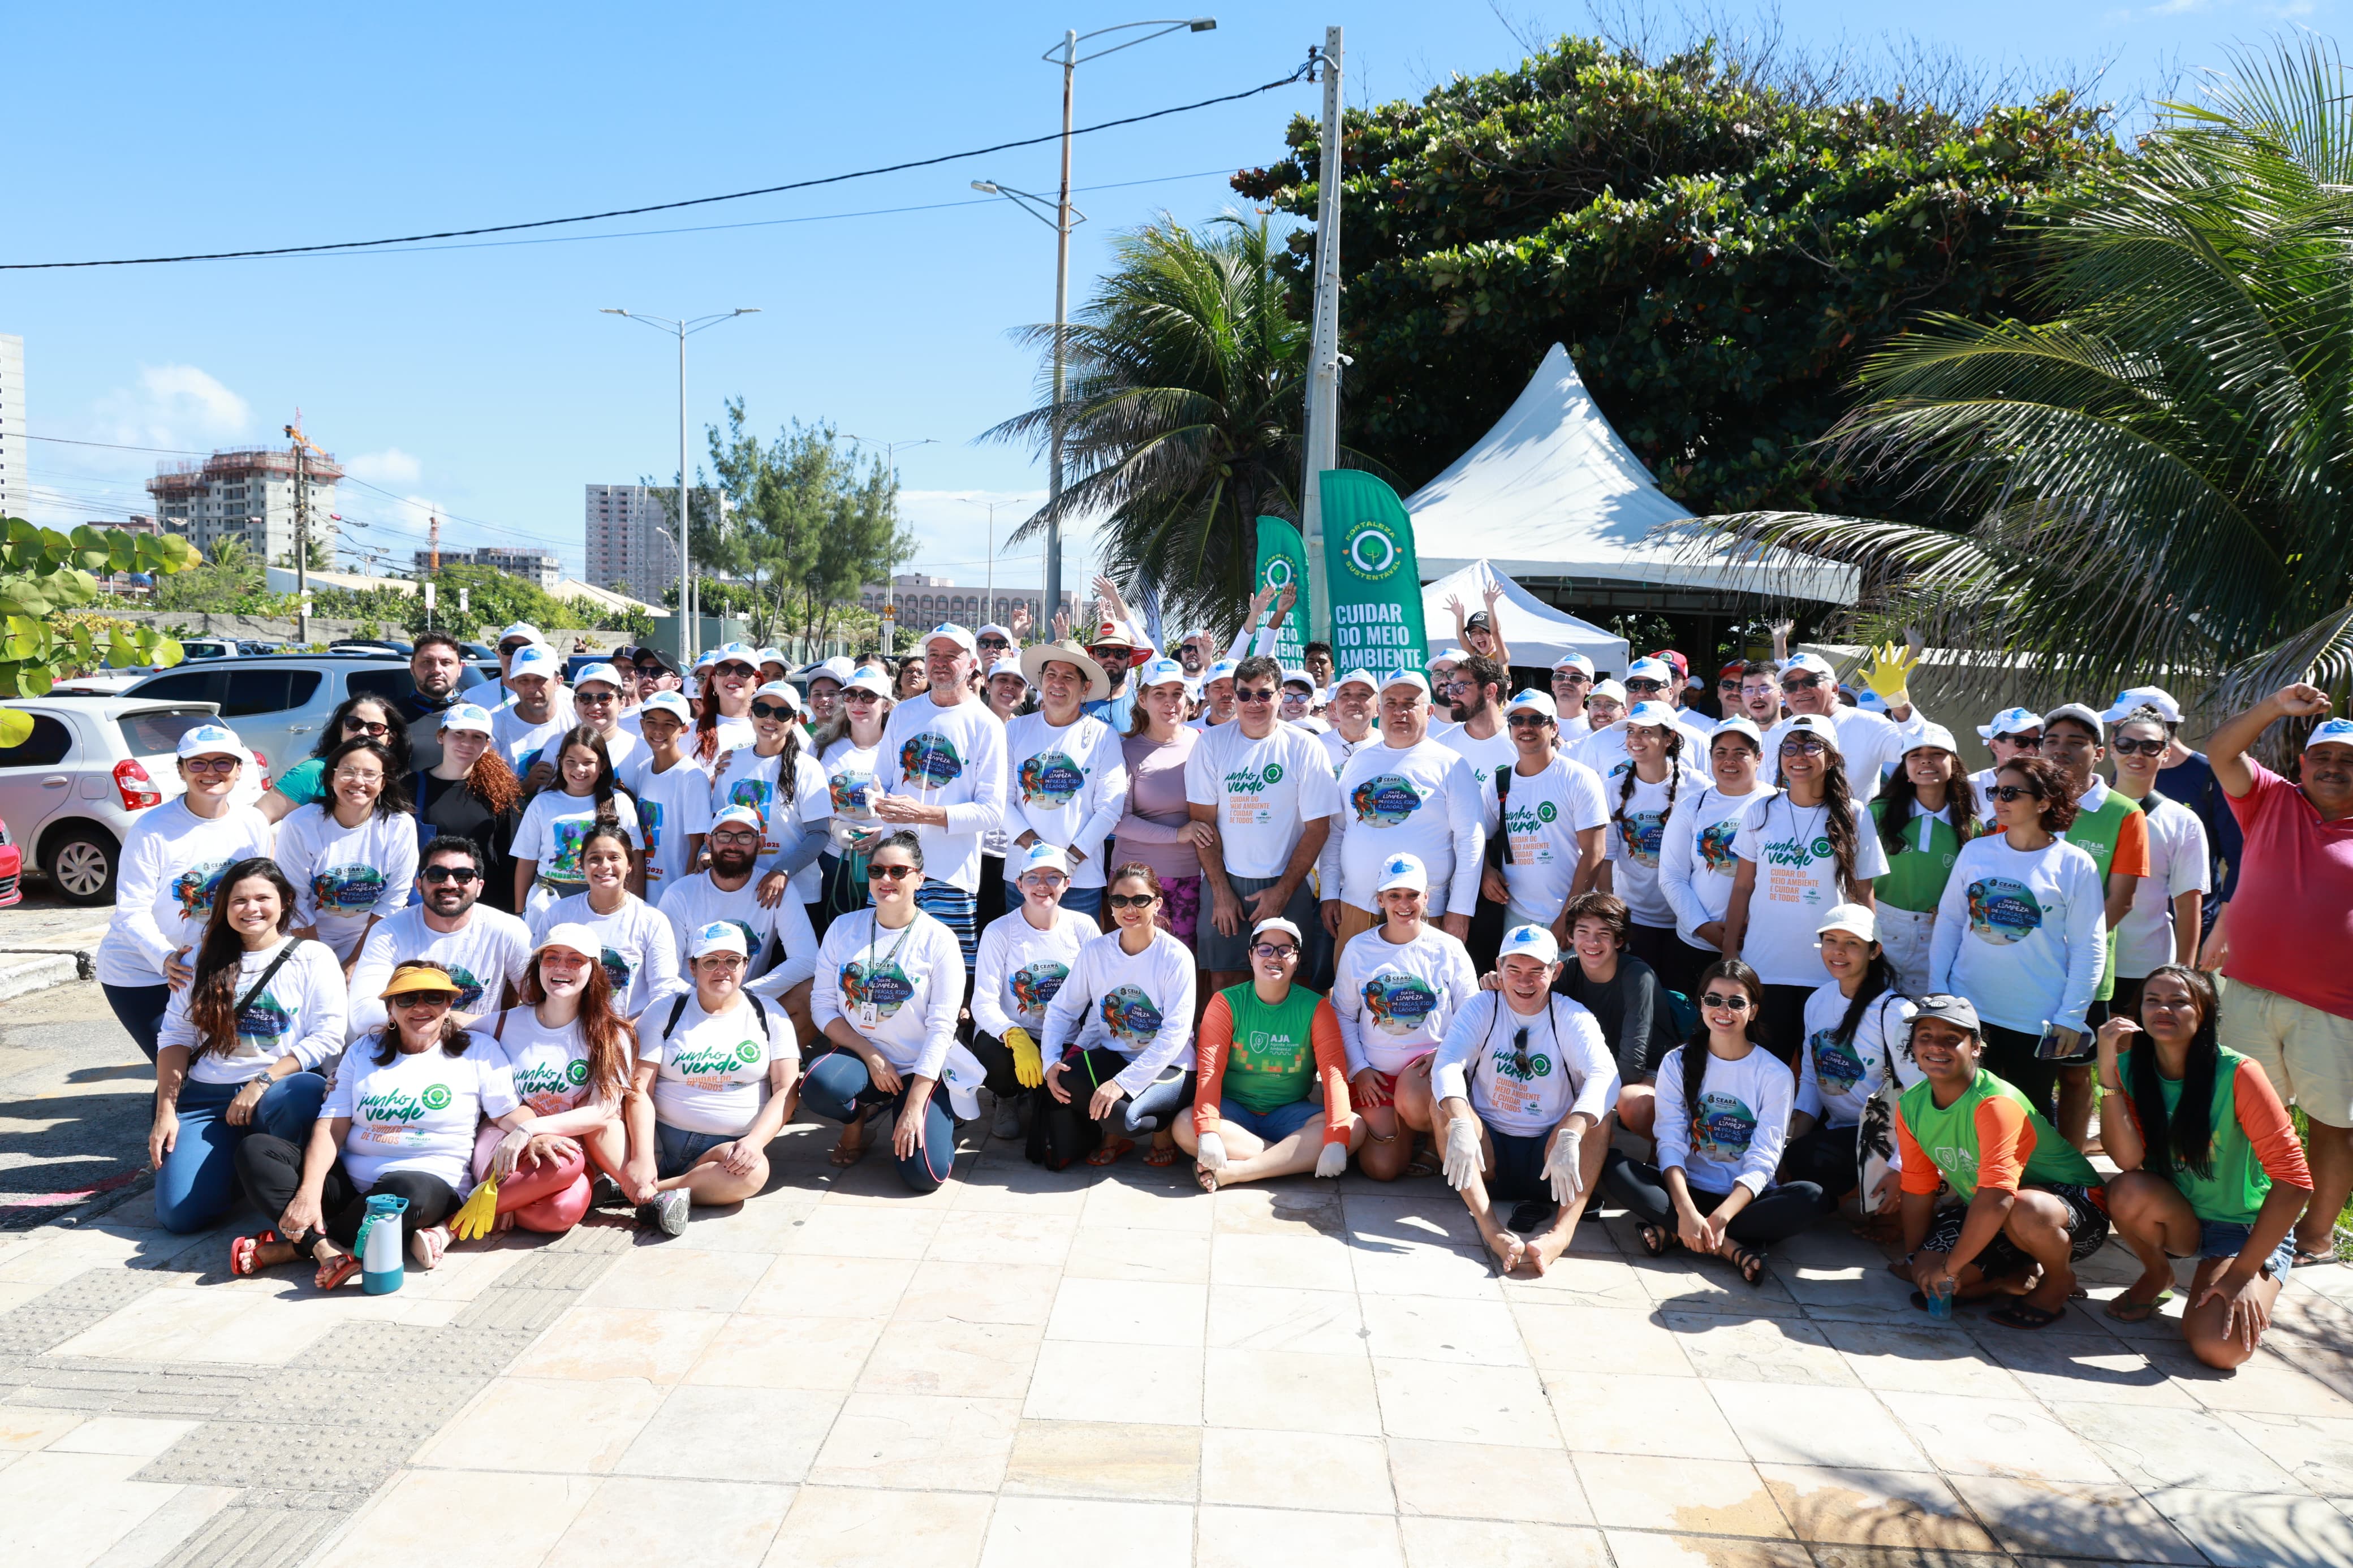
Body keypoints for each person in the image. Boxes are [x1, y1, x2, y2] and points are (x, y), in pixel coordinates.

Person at [233, 962, 536, 1285]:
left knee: (406, 1192)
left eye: (433, 997)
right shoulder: (364, 1050)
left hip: (428, 1184)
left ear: (449, 1005)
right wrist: (308, 1193)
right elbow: (332, 1125)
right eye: (407, 999)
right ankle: (328, 1250)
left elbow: (509, 1113)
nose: (420, 1007)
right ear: (390, 1009)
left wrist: (535, 1130)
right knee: (257, 1149)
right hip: (351, 1184)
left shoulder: (479, 1051)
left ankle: (302, 1247)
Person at [2096, 965, 2313, 1364]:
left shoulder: (2238, 1073)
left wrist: (2240, 1274)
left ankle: (2230, 1274)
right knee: (2126, 1188)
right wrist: (2108, 1071)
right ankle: (2158, 1273)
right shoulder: (2131, 1070)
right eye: (2153, 1000)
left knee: (2220, 1348)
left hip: (2243, 1228)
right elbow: (2127, 1160)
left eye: (2179, 1001)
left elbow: (2296, 1181)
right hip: (2180, 1217)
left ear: (2206, 1013)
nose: (2164, 1009)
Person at [2205, 688, 2353, 1265]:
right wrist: (2272, 707)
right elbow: (2220, 752)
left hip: (2336, 1007)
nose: (2333, 768)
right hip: (2248, 991)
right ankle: (2237, 1216)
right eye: (2323, 757)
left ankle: (2314, 1237)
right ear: (2301, 764)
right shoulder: (2269, 798)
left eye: (2347, 761)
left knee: (2330, 1126)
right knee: (2242, 1116)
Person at [1894, 992, 2109, 1331]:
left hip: (2071, 1212)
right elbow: (1918, 1187)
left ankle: (2058, 1280)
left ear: (1976, 1048)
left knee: (2023, 1211)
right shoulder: (1910, 1104)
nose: (1936, 1047)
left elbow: (1998, 1198)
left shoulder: (1996, 1102)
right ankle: (2012, 1277)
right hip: (1997, 1211)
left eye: (1952, 1039)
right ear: (1914, 1047)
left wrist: (1949, 1269)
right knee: (1927, 1278)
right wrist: (1916, 1259)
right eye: (1926, 1037)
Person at [150, 860, 341, 1234]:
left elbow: (329, 1034)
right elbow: (175, 1036)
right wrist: (165, 1113)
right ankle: (231, 1173)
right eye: (239, 900)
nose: (251, 908)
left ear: (285, 901)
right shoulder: (197, 960)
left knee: (301, 1093)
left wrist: (262, 1081)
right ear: (224, 907)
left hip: (278, 1090)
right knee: (178, 1216)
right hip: (208, 1098)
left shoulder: (314, 957)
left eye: (262, 898)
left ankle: (285, 1176)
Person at [1605, 958, 1818, 1285]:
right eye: (1714, 1000)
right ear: (1702, 1004)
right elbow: (1670, 1143)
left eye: (1736, 1003)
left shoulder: (1774, 1073)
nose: (1724, 1010)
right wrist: (1688, 1211)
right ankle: (1730, 1247)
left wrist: (1720, 1217)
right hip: (1685, 1193)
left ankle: (1678, 1233)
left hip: (1742, 1202)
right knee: (1612, 1166)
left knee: (1810, 1196)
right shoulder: (1676, 1061)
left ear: (1754, 1011)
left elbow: (1765, 1158)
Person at [1430, 925, 1618, 1273]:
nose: (1524, 982)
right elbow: (1447, 1064)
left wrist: (1570, 1134)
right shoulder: (1482, 1007)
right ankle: (1491, 1229)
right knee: (1445, 1103)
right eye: (1514, 970)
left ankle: (1561, 1234)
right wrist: (1458, 1120)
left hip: (1551, 1159)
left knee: (1600, 1116)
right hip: (1490, 1151)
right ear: (1498, 969)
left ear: (1556, 971)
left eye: (1537, 971)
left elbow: (1606, 1076)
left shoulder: (1572, 1016)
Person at [1929, 754, 2105, 1122]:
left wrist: (2071, 1017)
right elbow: (1948, 922)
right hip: (1968, 1010)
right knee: (1963, 1115)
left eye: (2011, 792)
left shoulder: (2075, 864)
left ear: (2044, 802)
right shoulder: (1975, 851)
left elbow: (2090, 945)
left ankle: (2037, 1183)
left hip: (2037, 1018)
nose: (1998, 800)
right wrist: (1939, 992)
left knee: (2029, 1120)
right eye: (1996, 790)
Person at [803, 831, 979, 1183]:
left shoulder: (939, 939)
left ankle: (925, 1109)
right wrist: (869, 1053)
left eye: (898, 871)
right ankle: (857, 1122)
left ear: (919, 878)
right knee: (819, 1086)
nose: (886, 879)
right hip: (863, 1060)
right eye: (877, 871)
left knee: (924, 1176)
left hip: (921, 1066)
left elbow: (943, 1027)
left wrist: (914, 1106)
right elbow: (822, 1006)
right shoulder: (842, 928)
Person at [96, 722, 275, 1062]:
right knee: (181, 1063)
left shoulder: (252, 823)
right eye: (198, 763)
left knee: (223, 1060)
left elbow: (263, 893)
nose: (211, 772)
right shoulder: (151, 829)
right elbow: (131, 909)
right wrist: (165, 958)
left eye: (223, 762)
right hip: (142, 970)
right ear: (181, 770)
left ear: (239, 770)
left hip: (212, 964)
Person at [1723, 714, 1887, 1056]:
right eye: (1791, 747)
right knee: (1770, 1062)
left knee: (1823, 1071)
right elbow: (1742, 888)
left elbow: (1862, 894)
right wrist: (1729, 955)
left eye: (1812, 746)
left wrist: (1868, 962)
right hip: (1765, 965)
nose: (1799, 755)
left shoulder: (1855, 815)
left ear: (1832, 758)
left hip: (1829, 968)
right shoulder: (1761, 811)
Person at [628, 922, 801, 1228]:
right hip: (663, 1139)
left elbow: (787, 1088)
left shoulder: (769, 1013)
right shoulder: (666, 1010)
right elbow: (640, 1088)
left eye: (732, 961)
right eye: (710, 961)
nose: (722, 970)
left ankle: (649, 1192)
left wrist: (756, 1143)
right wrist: (642, 1157)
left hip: (726, 1149)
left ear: (745, 966)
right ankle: (674, 1186)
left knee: (754, 1172)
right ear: (693, 967)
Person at [1188, 655, 1343, 994]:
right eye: (1245, 694)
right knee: (1225, 982)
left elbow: (1319, 829)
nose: (1253, 703)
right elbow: (1203, 827)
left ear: (1281, 695)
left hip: (1288, 881)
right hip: (1226, 880)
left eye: (1264, 693)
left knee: (1291, 982)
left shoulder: (1305, 746)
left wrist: (1282, 892)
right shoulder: (1211, 743)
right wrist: (1221, 893)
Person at [472, 923, 640, 1235]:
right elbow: (446, 1026)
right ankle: (470, 1215)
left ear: (595, 970)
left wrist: (532, 1129)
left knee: (558, 1214)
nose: (562, 967)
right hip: (506, 1139)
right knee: (557, 1183)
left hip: (565, 1151)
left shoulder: (613, 1034)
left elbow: (604, 1110)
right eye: (551, 958)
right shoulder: (500, 1025)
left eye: (576, 959)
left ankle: (499, 1203)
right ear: (538, 967)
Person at [1175, 915, 1363, 1191]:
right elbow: (1210, 1071)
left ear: (1297, 959)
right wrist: (1208, 1128)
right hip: (1233, 1113)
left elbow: (1333, 1074)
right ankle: (1288, 1161)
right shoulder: (1227, 1002)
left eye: (1285, 950)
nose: (1274, 957)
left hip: (1288, 1114)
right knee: (1183, 1125)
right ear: (1251, 956)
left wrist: (1336, 1137)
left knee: (1354, 1127)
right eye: (1265, 948)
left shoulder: (1316, 1007)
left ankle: (1237, 1172)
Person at [1330, 853, 1482, 1180]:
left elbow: (1473, 1014)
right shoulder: (1358, 948)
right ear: (1381, 899)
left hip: (1429, 1073)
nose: (1404, 904)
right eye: (1395, 895)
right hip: (1377, 1078)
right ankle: (1409, 1134)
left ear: (1427, 898)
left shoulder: (1449, 948)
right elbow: (1342, 1014)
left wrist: (1448, 1055)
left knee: (1414, 1100)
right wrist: (1360, 1069)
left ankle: (1430, 1135)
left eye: (1413, 895)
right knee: (1381, 1169)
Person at [2037, 702, 2151, 1141]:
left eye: (2075, 741)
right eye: (2052, 740)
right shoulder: (2026, 798)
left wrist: (2069, 950)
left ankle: (2071, 1173)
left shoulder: (2124, 812)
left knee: (2074, 1075)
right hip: (2021, 968)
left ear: (2099, 753)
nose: (2061, 750)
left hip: (2084, 973)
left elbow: (2120, 901)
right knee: (2016, 1069)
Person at [1038, 862, 1200, 1167]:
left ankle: (1159, 1129)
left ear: (1157, 904)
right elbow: (1061, 1010)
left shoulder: (1176, 957)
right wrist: (1049, 1062)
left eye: (1140, 900)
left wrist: (1122, 1083)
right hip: (1115, 1056)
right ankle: (1114, 1129)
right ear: (1109, 904)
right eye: (1119, 900)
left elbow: (1175, 1036)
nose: (1130, 908)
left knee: (1123, 1117)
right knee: (1064, 1080)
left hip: (1171, 1065)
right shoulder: (1096, 951)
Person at [871, 624, 1010, 970]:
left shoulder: (986, 723)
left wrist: (923, 813)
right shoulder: (903, 713)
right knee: (892, 968)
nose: (940, 662)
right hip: (895, 870)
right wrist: (878, 803)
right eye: (934, 654)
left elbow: (992, 812)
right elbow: (878, 784)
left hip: (952, 875)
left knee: (950, 974)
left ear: (972, 663)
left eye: (952, 655)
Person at [1320, 671, 1485, 962]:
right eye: (1392, 703)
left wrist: (1460, 909)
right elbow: (1337, 831)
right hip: (1358, 908)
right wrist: (1330, 893)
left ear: (1430, 711)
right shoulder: (1359, 761)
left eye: (1411, 703)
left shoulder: (1451, 764)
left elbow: (1470, 841)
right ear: (1380, 711)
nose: (1400, 711)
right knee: (1353, 999)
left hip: (1424, 912)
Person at [1781, 904, 1919, 1211]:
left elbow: (1919, 1099)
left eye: (1852, 943)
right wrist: (1790, 1147)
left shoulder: (1896, 1013)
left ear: (1874, 951)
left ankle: (1875, 1200)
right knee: (1793, 1159)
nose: (1838, 952)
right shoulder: (1817, 1001)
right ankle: (1854, 1200)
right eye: (1830, 940)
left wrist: (1901, 1169)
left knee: (1806, 1161)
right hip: (1840, 1132)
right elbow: (1810, 1079)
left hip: (1890, 1139)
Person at [970, 844, 1099, 1139]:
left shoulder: (1083, 927)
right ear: (1019, 884)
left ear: (1068, 884)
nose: (1043, 886)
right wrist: (1013, 1035)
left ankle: (1041, 1094)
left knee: (1064, 1113)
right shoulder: (999, 931)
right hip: (1014, 1035)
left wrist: (1080, 1046)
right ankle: (1006, 1096)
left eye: (1053, 877)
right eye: (1032, 878)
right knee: (995, 1059)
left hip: (1066, 1036)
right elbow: (983, 1002)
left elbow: (1101, 998)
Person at [348, 836, 533, 1038]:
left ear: (479, 886)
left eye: (464, 875)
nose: (450, 883)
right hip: (406, 1047)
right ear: (419, 886)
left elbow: (541, 1004)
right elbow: (363, 1017)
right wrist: (449, 1019)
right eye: (437, 874)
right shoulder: (389, 931)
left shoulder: (509, 929)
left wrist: (423, 1018)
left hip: (480, 1049)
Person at [665, 806, 821, 1045]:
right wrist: (702, 1000)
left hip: (750, 1003)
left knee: (812, 993)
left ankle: (771, 1076)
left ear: (760, 844)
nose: (734, 845)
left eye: (745, 837)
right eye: (724, 836)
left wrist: (744, 995)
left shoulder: (777, 889)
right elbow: (665, 970)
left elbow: (808, 959)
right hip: (689, 1006)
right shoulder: (681, 893)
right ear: (709, 841)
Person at [1005, 638, 1127, 919]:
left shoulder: (1103, 736)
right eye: (1051, 675)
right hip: (1023, 874)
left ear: (1085, 688)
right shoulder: (1015, 731)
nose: (1058, 683)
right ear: (1041, 680)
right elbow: (1002, 799)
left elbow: (1110, 807)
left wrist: (1070, 859)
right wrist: (1039, 855)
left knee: (1078, 961)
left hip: (1080, 879)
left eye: (1068, 677)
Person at [2102, 703, 2209, 1023]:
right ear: (2111, 749)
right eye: (2127, 744)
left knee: (2133, 1061)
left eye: (2150, 746)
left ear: (2165, 754)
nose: (2137, 754)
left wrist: (2184, 976)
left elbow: (2189, 904)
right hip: (2079, 957)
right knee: (2072, 1067)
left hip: (2143, 964)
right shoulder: (2081, 810)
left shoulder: (2182, 820)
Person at [1660, 716, 1777, 1000]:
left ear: (1759, 758)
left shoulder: (1778, 802)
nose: (1729, 761)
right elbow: (1672, 877)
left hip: (1761, 944)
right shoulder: (1692, 807)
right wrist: (1705, 928)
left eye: (1741, 753)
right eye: (1721, 753)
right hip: (1697, 944)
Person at [275, 737, 417, 966]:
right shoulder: (300, 824)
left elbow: (394, 900)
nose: (358, 781)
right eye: (348, 772)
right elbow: (294, 901)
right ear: (332, 777)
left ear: (383, 783)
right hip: (303, 937)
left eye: (370, 774)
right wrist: (320, 963)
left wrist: (353, 963)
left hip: (368, 939)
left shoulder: (400, 825)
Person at [1551, 891, 1679, 1142]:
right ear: (1570, 936)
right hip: (1598, 1068)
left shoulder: (1637, 975)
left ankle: (1664, 1151)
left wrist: (1589, 1090)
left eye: (1604, 934)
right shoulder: (1570, 971)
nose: (1592, 942)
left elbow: (1632, 1067)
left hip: (1649, 1070)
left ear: (1619, 940)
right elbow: (1534, 1009)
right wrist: (1498, 983)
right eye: (1583, 932)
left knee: (1634, 1104)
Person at [1869, 724, 1981, 995]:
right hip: (1881, 929)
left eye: (1937, 753)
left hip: (1938, 935)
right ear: (1905, 767)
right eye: (1915, 755)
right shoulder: (1877, 813)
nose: (1926, 760)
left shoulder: (1971, 827)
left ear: (1953, 764)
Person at [527, 822, 680, 1020]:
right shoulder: (558, 914)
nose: (605, 866)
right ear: (582, 866)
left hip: (631, 1032)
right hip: (566, 1030)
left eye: (614, 858)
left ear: (630, 865)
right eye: (595, 858)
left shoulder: (652, 920)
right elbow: (536, 978)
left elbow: (663, 993)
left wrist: (629, 1033)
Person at [1485, 692, 1608, 937]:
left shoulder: (1578, 778)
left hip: (1572, 916)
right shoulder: (1497, 781)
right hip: (1516, 914)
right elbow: (1478, 840)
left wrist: (1569, 914)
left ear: (1554, 728)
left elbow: (1596, 852)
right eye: (1517, 721)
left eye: (1536, 720)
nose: (1525, 727)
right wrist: (1486, 872)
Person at [1599, 700, 1708, 975]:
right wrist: (1611, 920)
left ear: (1669, 737)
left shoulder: (1699, 787)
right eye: (1631, 731)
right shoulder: (1610, 789)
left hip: (1688, 922)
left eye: (1646, 732)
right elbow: (1606, 857)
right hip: (1634, 919)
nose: (1635, 739)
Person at [712, 680, 830, 920]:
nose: (771, 719)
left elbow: (820, 834)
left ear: (795, 721)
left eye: (783, 713)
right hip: (741, 889)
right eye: (763, 710)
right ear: (751, 712)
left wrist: (782, 871)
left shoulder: (807, 767)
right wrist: (706, 853)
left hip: (796, 893)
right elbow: (717, 821)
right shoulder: (731, 760)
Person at [1112, 657, 1206, 948]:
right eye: (1159, 694)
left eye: (1177, 694)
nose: (1170, 703)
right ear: (1142, 699)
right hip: (1135, 883)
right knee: (1137, 960)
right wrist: (1179, 835)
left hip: (1192, 877)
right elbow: (1118, 820)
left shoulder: (1205, 743)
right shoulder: (1124, 750)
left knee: (1185, 962)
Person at [1762, 646, 1925, 805]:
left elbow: (1924, 750)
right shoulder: (1779, 731)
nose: (1800, 690)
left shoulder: (1870, 724)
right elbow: (1767, 786)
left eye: (1810, 682)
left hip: (1851, 830)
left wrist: (1898, 703)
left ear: (1835, 688)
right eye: (1790, 685)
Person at [408, 703, 525, 916]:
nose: (466, 743)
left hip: (487, 906)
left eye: (477, 737)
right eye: (459, 733)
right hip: (429, 906)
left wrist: (515, 911)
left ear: (487, 745)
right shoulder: (411, 787)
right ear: (441, 736)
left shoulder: (497, 791)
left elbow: (511, 857)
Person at [512, 727, 641, 913]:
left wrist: (632, 909)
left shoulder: (619, 802)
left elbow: (636, 858)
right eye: (571, 762)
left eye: (588, 762)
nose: (579, 769)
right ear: (561, 763)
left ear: (603, 765)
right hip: (549, 903)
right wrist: (519, 913)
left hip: (602, 902)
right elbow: (526, 861)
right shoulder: (543, 803)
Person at [256, 693, 417, 824]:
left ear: (391, 739)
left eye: (375, 728)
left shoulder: (400, 780)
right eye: (354, 724)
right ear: (341, 730)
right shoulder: (313, 772)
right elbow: (257, 821)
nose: (362, 732)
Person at [813, 667, 895, 927]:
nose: (859, 703)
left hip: (886, 863)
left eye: (869, 696)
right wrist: (835, 827)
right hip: (833, 861)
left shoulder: (898, 748)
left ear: (886, 704)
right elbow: (803, 805)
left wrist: (886, 831)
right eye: (851, 695)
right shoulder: (822, 747)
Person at [628, 692, 710, 897]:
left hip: (675, 892)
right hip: (644, 890)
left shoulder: (692, 777)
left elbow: (697, 843)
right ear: (641, 725)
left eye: (669, 724)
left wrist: (685, 893)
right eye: (652, 722)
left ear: (683, 730)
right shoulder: (642, 770)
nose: (658, 730)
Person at [1436, 655, 1518, 843]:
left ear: (1490, 691)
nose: (1452, 694)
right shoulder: (1441, 747)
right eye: (1451, 687)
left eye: (1461, 686)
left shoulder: (1522, 742)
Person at [397, 631, 473, 770]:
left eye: (446, 663)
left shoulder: (476, 717)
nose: (437, 670)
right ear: (412, 667)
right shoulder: (390, 717)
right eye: (427, 662)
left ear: (460, 669)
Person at [492, 643, 571, 774]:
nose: (532, 689)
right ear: (513, 684)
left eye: (540, 680)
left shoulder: (577, 718)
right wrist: (528, 786)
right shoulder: (496, 726)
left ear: (558, 682)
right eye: (524, 680)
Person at [692, 642, 764, 761]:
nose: (733, 675)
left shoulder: (774, 726)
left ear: (756, 683)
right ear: (714, 682)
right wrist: (716, 779)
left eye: (744, 670)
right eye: (724, 669)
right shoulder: (694, 733)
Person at [1316, 668, 1379, 780]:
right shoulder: (1316, 747)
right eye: (1346, 694)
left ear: (1378, 709)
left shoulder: (1390, 746)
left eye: (1363, 695)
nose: (1353, 701)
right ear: (1334, 707)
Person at [1970, 708, 2045, 801]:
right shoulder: (1971, 787)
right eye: (2021, 741)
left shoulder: (2049, 787)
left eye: (2037, 742)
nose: (2032, 750)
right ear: (1994, 746)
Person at [1445, 578, 1510, 669]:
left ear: (1493, 637)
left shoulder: (1499, 656)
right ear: (1471, 639)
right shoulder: (1475, 655)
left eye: (1483, 631)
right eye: (1473, 632)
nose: (1479, 635)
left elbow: (1495, 631)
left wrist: (1490, 606)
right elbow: (1462, 637)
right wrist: (1460, 617)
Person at [1550, 654, 1597, 745]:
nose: (1566, 681)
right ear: (1553, 685)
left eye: (1576, 678)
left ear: (1590, 689)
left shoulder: (1596, 725)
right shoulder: (1538, 720)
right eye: (1560, 676)